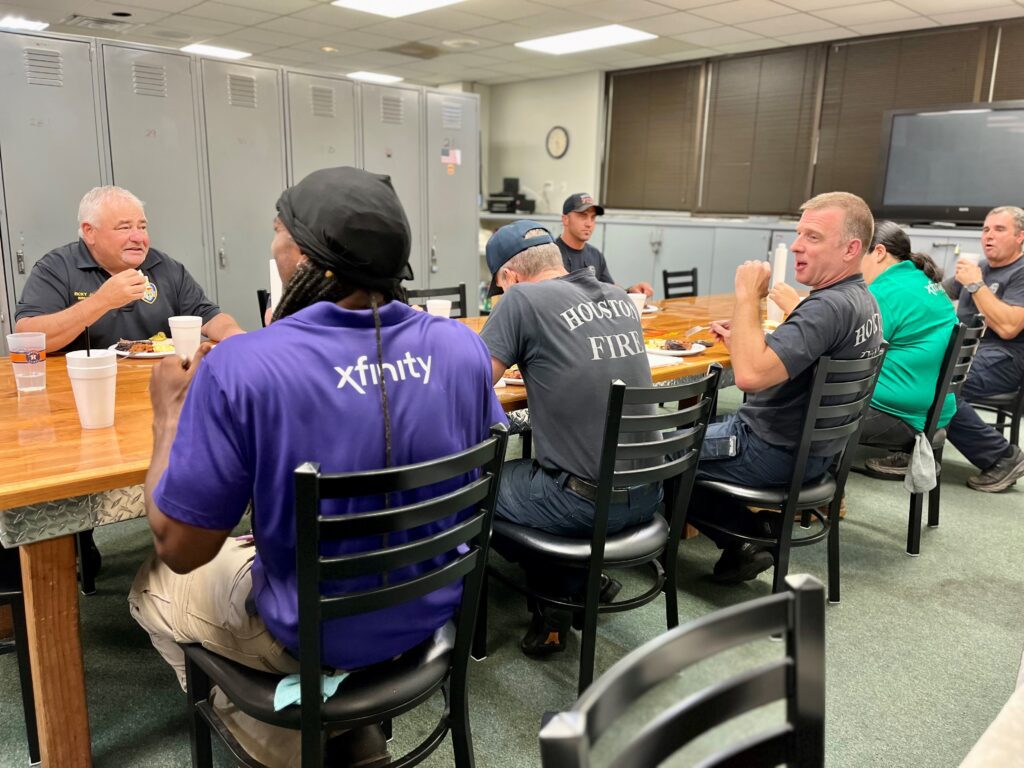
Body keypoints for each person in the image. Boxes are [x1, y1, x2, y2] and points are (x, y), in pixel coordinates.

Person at [127, 167, 506, 767]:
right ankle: (351, 727)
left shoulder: (242, 367)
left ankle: (290, 737)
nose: (272, 247)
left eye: (278, 233)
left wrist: (168, 417)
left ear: (305, 258)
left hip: (306, 633)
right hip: (435, 609)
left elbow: (182, 548)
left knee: (150, 583)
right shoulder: (463, 348)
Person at [480, 219, 661, 655]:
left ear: (509, 276)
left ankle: (557, 595)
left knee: (475, 487)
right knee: (543, 472)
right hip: (652, 491)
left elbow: (473, 382)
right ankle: (581, 580)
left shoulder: (521, 298)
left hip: (585, 503)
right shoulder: (619, 298)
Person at [692, 191, 883, 584]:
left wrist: (747, 294)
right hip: (813, 453)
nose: (796, 245)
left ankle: (745, 538)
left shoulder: (826, 307)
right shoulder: (861, 302)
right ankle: (746, 538)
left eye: (812, 237)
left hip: (769, 448)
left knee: (648, 454)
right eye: (799, 235)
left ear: (850, 249)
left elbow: (749, 377)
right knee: (670, 445)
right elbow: (791, 358)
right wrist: (743, 342)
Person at [867, 206, 1024, 492]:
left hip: (1005, 356)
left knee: (943, 387)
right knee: (936, 380)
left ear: (1020, 237)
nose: (989, 236)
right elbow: (930, 293)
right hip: (968, 351)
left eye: (999, 229)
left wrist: (976, 285)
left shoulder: (1016, 272)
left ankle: (1002, 456)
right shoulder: (982, 268)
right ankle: (914, 440)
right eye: (986, 229)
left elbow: (1009, 327)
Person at [770, 221, 957, 450]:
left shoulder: (885, 293)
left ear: (879, 252)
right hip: (928, 405)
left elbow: (837, 347)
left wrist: (795, 308)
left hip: (896, 413)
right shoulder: (920, 281)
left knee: (784, 402)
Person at [15, 185, 243, 353]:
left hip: (154, 387)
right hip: (81, 391)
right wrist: (102, 301)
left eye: (142, 227)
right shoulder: (56, 267)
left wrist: (234, 335)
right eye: (124, 228)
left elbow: (209, 317)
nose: (139, 237)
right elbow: (27, 339)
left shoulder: (165, 267)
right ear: (89, 232)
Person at [557, 193, 654, 297]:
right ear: (565, 219)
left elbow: (610, 289)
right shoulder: (549, 254)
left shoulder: (595, 255)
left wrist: (631, 292)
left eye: (593, 218)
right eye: (583, 216)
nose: (589, 224)